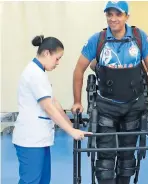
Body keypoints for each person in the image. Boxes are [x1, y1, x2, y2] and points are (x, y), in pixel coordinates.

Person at [72, 1, 148, 184]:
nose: (113, 19)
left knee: (127, 158)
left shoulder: (139, 37)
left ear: (127, 16)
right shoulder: (98, 39)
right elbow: (79, 70)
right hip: (106, 107)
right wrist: (77, 101)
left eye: (118, 14)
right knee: (105, 160)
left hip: (133, 106)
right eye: (109, 14)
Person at [12, 35, 92, 184]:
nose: (58, 63)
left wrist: (70, 125)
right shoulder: (34, 74)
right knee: (31, 181)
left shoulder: (40, 73)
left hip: (39, 139)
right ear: (47, 53)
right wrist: (71, 131)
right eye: (57, 58)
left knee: (43, 180)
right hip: (30, 140)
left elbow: (54, 102)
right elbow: (48, 107)